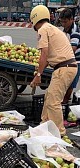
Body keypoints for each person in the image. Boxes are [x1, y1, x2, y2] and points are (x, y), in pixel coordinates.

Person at [30, 5, 78, 136]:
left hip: (64, 68)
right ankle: (43, 126)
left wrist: (39, 74)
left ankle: (60, 134)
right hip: (66, 67)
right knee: (49, 97)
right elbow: (46, 58)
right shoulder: (51, 28)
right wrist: (38, 72)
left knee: (53, 101)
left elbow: (44, 54)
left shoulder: (43, 30)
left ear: (35, 18)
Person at [59, 8, 80, 103]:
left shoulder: (75, 30)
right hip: (69, 59)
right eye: (62, 22)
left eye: (65, 22)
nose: (63, 24)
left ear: (71, 19)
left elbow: (73, 49)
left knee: (71, 83)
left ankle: (65, 101)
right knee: (66, 82)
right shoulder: (66, 28)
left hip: (76, 60)